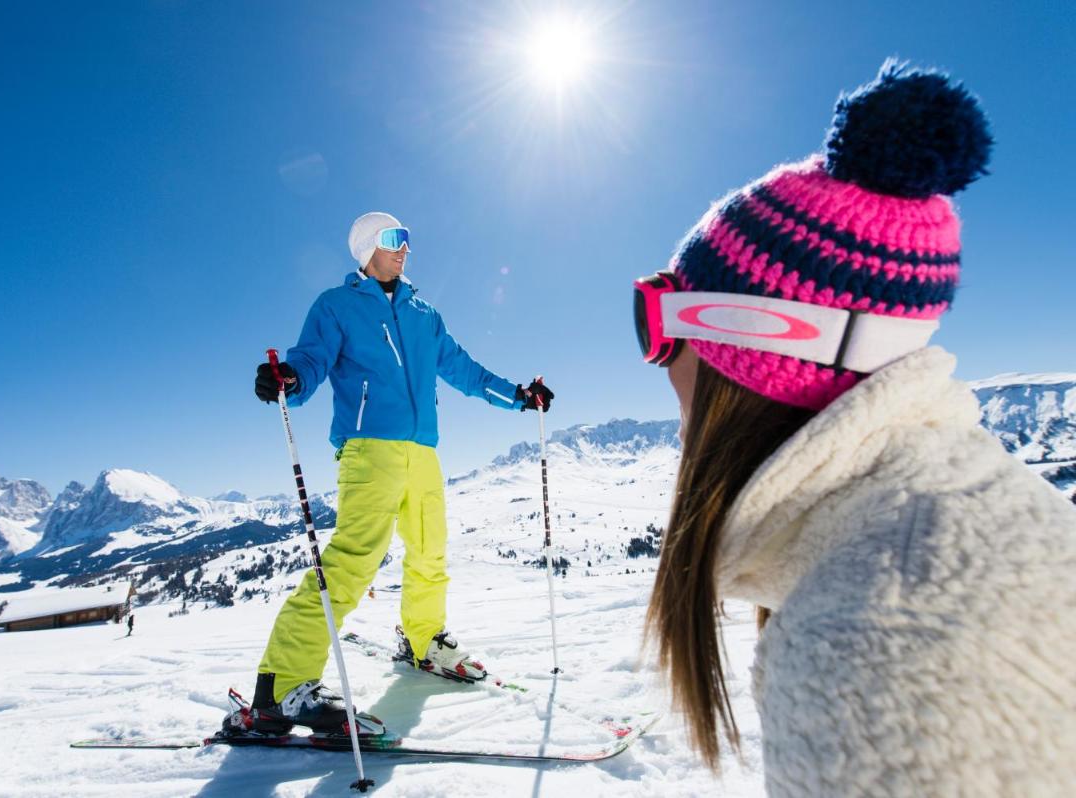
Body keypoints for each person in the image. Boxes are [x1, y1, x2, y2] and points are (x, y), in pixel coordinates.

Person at [635, 62, 1076, 795]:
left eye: (655, 324)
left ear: (741, 346)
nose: (657, 363)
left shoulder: (875, 645)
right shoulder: (945, 523)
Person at [241, 211, 554, 737]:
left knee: (431, 551)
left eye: (407, 238)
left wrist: (519, 397)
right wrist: (289, 378)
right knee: (351, 562)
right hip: (369, 449)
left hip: (423, 452)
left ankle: (423, 638)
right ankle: (281, 688)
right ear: (366, 248)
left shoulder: (423, 312)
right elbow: (310, 361)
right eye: (393, 239)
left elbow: (464, 370)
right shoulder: (337, 306)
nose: (404, 248)